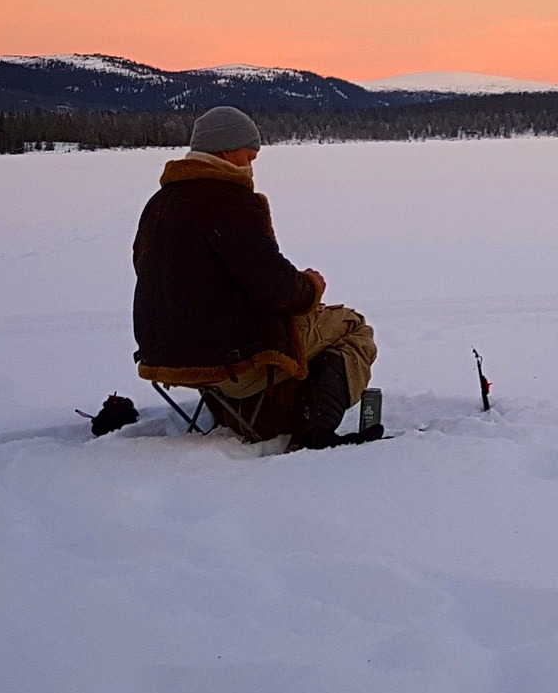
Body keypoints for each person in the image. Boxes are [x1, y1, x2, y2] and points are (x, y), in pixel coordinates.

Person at [132, 105, 377, 448]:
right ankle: (314, 431)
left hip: (169, 357)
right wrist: (311, 286)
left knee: (317, 327)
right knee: (352, 325)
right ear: (225, 150)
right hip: (231, 359)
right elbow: (275, 288)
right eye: (248, 157)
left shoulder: (159, 204)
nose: (250, 167)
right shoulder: (228, 201)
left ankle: (259, 412)